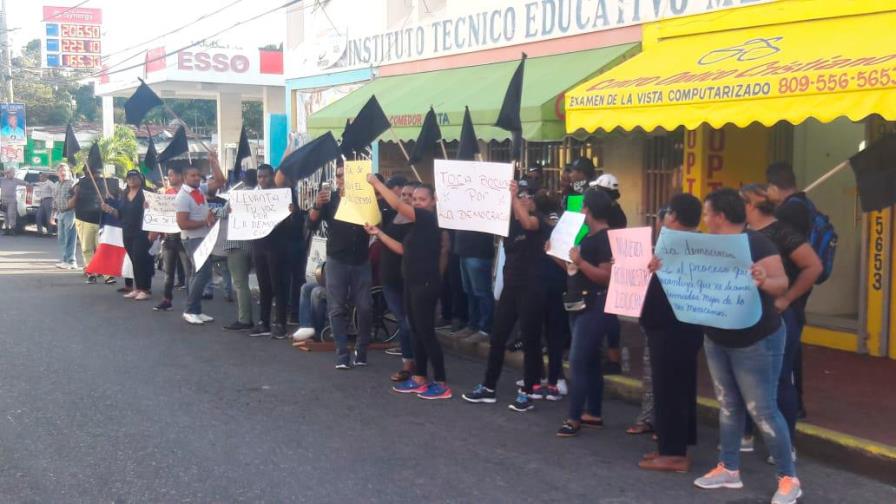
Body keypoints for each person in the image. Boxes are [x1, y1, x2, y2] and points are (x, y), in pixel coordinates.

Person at [692, 188, 800, 504]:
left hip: (756, 338)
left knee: (763, 408)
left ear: (719, 216)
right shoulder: (706, 244)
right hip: (718, 335)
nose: (705, 219)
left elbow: (780, 284)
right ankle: (729, 467)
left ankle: (788, 479)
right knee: (728, 403)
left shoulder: (757, 243)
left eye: (707, 212)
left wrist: (763, 278)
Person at [741, 183, 822, 462]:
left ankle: (785, 445)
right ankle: (745, 434)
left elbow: (814, 266)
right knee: (745, 374)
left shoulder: (783, 233)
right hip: (749, 313)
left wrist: (787, 298)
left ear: (751, 205)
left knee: (779, 378)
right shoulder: (743, 234)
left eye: (742, 201)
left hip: (779, 315)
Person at [462, 180, 548, 411]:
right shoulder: (507, 223)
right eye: (521, 195)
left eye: (529, 195)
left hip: (533, 287)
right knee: (498, 337)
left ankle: (528, 391)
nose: (525, 198)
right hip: (511, 286)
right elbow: (477, 214)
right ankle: (489, 387)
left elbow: (529, 224)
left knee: (530, 340)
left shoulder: (541, 220)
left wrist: (513, 199)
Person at [366, 176, 452, 400]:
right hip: (411, 283)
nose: (416, 203)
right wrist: (379, 233)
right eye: (414, 199)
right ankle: (420, 378)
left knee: (426, 333)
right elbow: (403, 249)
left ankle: (441, 382)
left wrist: (376, 183)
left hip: (425, 284)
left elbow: (396, 204)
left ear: (433, 202)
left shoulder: (428, 219)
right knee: (415, 330)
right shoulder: (416, 226)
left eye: (421, 199)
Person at [638, 194, 704, 473]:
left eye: (665, 213)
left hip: (673, 328)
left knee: (670, 388)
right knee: (675, 387)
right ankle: (671, 444)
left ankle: (674, 453)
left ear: (673, 216)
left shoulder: (681, 245)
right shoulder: (687, 245)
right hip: (676, 327)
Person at [551, 188, 614, 437]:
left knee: (577, 362)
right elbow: (574, 268)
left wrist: (580, 262)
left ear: (589, 209)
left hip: (595, 306)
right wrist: (555, 255)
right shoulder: (590, 236)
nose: (580, 211)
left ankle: (574, 417)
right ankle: (593, 412)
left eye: (583, 206)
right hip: (579, 303)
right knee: (590, 362)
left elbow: (605, 277)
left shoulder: (605, 238)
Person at [308, 162, 375, 368]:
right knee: (336, 307)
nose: (340, 179)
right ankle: (342, 354)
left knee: (365, 307)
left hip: (361, 260)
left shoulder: (366, 199)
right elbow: (311, 224)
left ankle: (361, 349)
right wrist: (317, 205)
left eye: (344, 175)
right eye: (338, 176)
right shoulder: (331, 199)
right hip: (337, 260)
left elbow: (377, 223)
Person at [766, 161, 813, 417]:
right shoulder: (805, 204)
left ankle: (793, 406)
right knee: (792, 347)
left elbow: (805, 262)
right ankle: (795, 404)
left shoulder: (787, 214)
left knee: (788, 349)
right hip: (795, 286)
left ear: (774, 187)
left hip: (790, 286)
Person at [175, 155, 226, 325]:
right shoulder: (183, 197)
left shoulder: (200, 190)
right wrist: (205, 221)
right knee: (202, 273)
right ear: (185, 178)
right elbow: (182, 223)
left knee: (197, 274)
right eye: (192, 175)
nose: (197, 177)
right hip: (192, 239)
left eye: (198, 175)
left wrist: (214, 163)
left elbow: (220, 180)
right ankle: (190, 310)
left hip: (203, 238)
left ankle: (195, 310)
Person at [249, 164, 296, 340]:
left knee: (279, 285)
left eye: (266, 176)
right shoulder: (253, 196)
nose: (262, 180)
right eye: (259, 177)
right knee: (264, 286)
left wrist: (291, 213)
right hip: (258, 245)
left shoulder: (283, 195)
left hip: (277, 246)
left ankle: (280, 323)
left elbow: (293, 223)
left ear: (272, 176)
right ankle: (264, 322)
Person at [377, 180, 415, 382]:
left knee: (409, 322)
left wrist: (380, 235)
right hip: (389, 278)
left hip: (408, 279)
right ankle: (409, 360)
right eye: (404, 195)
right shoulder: (391, 216)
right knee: (403, 320)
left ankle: (411, 363)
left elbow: (402, 249)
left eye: (411, 195)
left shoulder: (418, 221)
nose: (407, 198)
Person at [593, 172, 627, 376]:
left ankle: (613, 359)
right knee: (609, 315)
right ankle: (611, 356)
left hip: (608, 266)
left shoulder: (611, 215)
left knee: (608, 315)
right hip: (611, 264)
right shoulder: (617, 212)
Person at [100, 170, 153, 300]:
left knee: (141, 259)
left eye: (135, 177)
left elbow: (155, 212)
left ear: (141, 179)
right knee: (134, 260)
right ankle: (137, 288)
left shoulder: (147, 193)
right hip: (127, 231)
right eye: (129, 177)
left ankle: (145, 289)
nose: (132, 180)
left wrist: (150, 207)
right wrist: (110, 210)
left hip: (142, 231)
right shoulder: (124, 195)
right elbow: (120, 214)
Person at [214, 170, 255, 331]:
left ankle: (245, 319)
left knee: (240, 283)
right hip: (256, 244)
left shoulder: (237, 196)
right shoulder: (263, 196)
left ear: (243, 180)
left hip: (237, 244)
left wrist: (211, 211)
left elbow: (223, 212)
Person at [153, 167, 190, 312]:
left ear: (180, 176)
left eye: (172, 175)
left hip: (185, 236)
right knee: (168, 272)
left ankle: (190, 303)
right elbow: (160, 214)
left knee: (188, 272)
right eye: (168, 176)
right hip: (169, 237)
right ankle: (167, 300)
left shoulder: (188, 193)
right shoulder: (167, 193)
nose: (169, 178)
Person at [453, 227, 496, 343]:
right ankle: (473, 325)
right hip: (463, 249)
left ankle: (485, 329)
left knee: (481, 292)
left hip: (479, 251)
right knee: (470, 291)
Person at [69, 166, 104, 282]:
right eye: (91, 173)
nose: (95, 175)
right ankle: (91, 271)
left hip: (101, 221)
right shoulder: (79, 185)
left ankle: (99, 269)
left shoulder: (105, 184)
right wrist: (77, 193)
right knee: (87, 249)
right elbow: (70, 204)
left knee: (100, 248)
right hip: (84, 219)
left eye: (97, 172)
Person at [53, 164, 78, 269]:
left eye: (65, 170)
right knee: (62, 238)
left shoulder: (72, 184)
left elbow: (77, 198)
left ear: (69, 172)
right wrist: (53, 215)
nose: (63, 172)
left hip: (70, 212)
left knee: (70, 237)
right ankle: (65, 260)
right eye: (61, 170)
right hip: (60, 213)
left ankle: (71, 261)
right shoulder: (57, 184)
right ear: (57, 173)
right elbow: (55, 199)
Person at [1, 168, 28, 235]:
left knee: (11, 215)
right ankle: (7, 229)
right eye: (11, 173)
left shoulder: (15, 180)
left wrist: (31, 184)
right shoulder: (2, 180)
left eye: (13, 173)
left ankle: (13, 229)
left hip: (12, 200)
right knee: (5, 215)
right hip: (4, 200)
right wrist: (3, 172)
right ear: (7, 173)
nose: (13, 174)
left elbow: (25, 183)